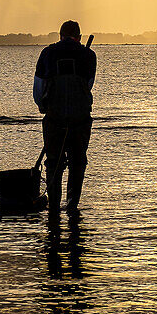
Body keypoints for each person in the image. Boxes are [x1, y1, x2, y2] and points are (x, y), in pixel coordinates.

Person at [34, 20, 96, 215]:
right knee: (78, 163)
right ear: (79, 37)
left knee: (54, 164)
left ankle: (54, 210)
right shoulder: (89, 56)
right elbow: (88, 85)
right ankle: (72, 207)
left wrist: (43, 107)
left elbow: (38, 89)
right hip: (80, 121)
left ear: (60, 35)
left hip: (54, 120)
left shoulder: (47, 53)